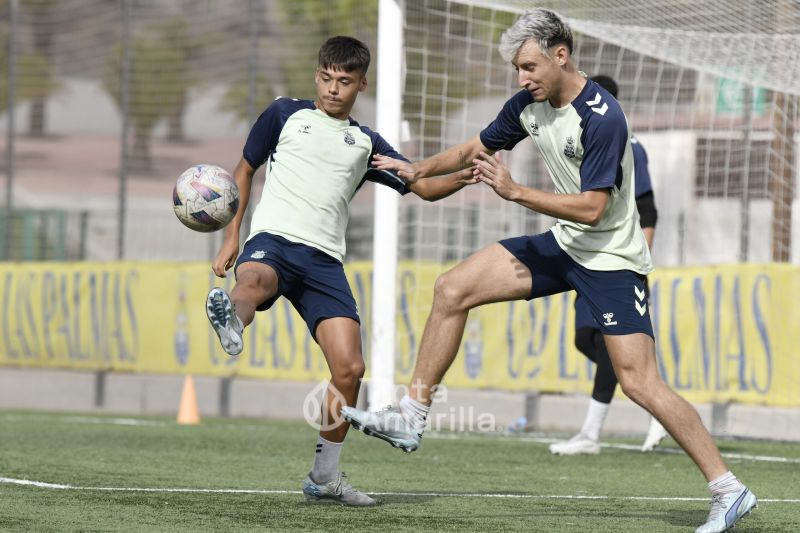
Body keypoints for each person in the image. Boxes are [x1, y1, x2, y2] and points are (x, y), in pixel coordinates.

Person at [341, 10, 757, 532]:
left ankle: (728, 489)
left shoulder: (603, 117)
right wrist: (418, 168)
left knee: (640, 383)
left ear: (561, 55)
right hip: (564, 246)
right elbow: (478, 147)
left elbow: (592, 210)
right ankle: (411, 415)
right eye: (517, 69)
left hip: (610, 259)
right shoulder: (528, 105)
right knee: (452, 288)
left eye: (529, 66)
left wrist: (514, 191)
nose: (522, 79)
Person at [205, 36, 475, 507]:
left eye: (344, 82)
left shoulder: (366, 143)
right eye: (327, 78)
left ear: (360, 84)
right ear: (317, 76)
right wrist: (232, 237)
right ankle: (231, 319)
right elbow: (243, 171)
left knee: (350, 369)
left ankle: (324, 477)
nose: (333, 89)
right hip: (272, 240)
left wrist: (466, 174)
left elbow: (423, 187)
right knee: (253, 282)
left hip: (324, 262)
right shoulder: (284, 114)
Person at [548, 74, 669, 456]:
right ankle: (661, 407)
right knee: (586, 339)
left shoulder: (628, 142)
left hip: (616, 260)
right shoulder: (570, 135)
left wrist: (635, 262)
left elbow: (647, 208)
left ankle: (590, 434)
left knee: (606, 345)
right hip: (583, 255)